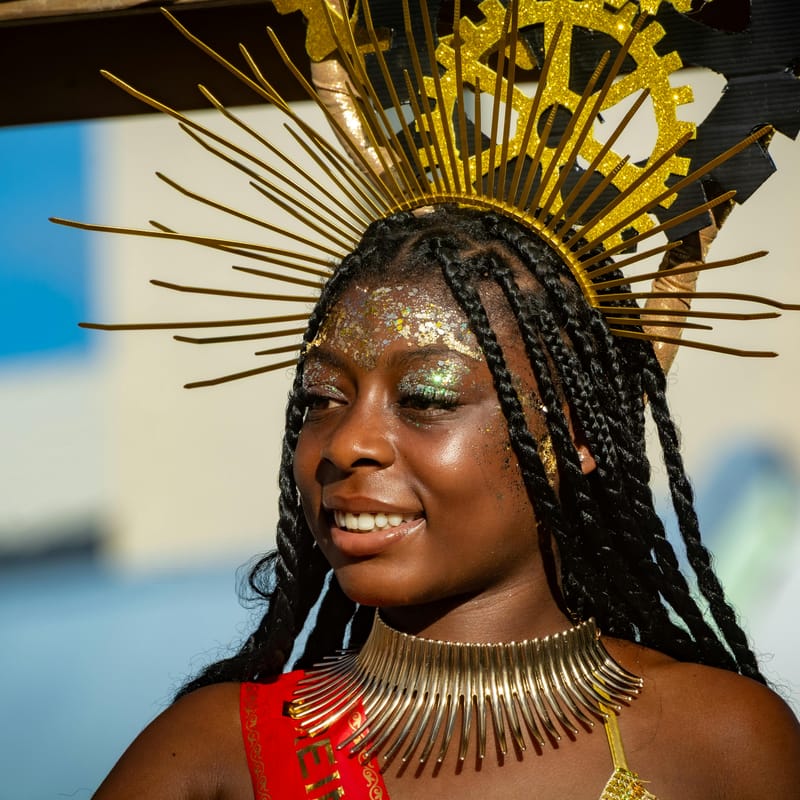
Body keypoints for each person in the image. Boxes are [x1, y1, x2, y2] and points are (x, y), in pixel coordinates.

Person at [70, 1, 800, 797]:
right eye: (321, 399)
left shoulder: (721, 744)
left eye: (425, 397)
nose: (347, 443)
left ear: (574, 434)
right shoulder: (216, 758)